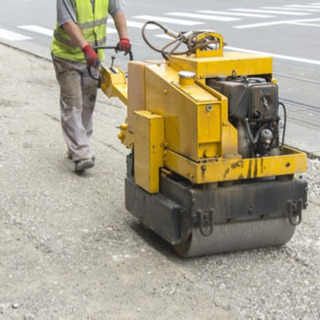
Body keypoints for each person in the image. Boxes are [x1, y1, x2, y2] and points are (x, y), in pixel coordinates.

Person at [51, 0, 130, 172]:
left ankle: (77, 147)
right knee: (73, 104)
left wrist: (124, 37)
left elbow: (118, 11)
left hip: (92, 57)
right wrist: (86, 48)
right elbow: (68, 23)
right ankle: (81, 154)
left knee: (88, 103)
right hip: (67, 57)